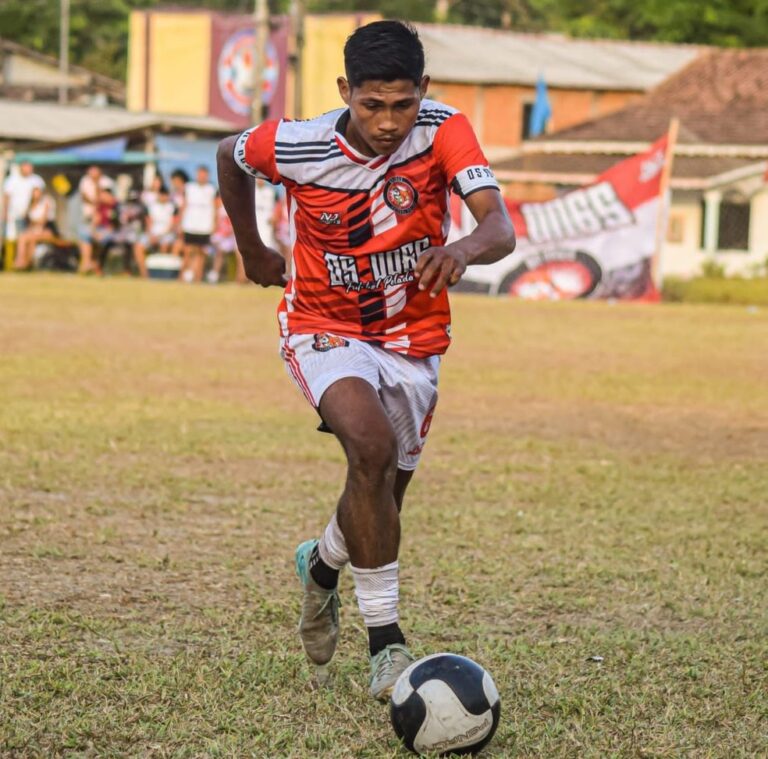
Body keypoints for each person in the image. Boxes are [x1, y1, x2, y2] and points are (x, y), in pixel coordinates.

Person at [216, 20, 515, 701]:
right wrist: (252, 248)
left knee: (382, 494)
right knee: (370, 449)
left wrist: (463, 250)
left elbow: (498, 224)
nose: (387, 122)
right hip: (321, 324)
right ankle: (387, 645)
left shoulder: (443, 130)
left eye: (402, 104)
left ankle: (320, 568)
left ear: (424, 92)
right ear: (345, 90)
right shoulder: (298, 143)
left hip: (413, 337)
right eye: (372, 104)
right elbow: (227, 154)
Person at [179, 165, 216, 282]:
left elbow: (215, 208)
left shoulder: (212, 189)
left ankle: (198, 278)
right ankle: (182, 276)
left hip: (205, 226)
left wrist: (214, 224)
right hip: (189, 224)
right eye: (200, 174)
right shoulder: (189, 187)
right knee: (188, 251)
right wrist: (180, 222)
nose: (202, 176)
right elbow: (183, 205)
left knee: (201, 253)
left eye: (204, 174)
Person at [133, 184, 177, 278]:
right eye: (162, 194)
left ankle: (162, 275)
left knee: (164, 245)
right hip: (152, 234)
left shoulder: (172, 207)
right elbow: (149, 223)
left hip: (166, 234)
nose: (163, 197)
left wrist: (160, 237)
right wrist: (151, 235)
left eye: (165, 195)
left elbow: (172, 225)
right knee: (138, 247)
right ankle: (145, 275)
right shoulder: (152, 206)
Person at [77, 165, 113, 274]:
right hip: (90, 219)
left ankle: (93, 265)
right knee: (84, 236)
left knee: (99, 240)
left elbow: (108, 200)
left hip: (105, 226)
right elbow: (84, 196)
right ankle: (86, 264)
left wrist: (97, 186)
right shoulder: (85, 181)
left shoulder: (107, 182)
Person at [3, 161, 45, 249]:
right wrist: (5, 213)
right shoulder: (12, 180)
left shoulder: (36, 180)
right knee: (12, 237)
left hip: (29, 215)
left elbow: (40, 195)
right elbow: (6, 197)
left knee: (26, 238)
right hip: (14, 214)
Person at [14, 186, 55, 270]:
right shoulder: (30, 206)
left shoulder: (45, 204)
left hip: (45, 231)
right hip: (34, 231)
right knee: (30, 241)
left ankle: (20, 261)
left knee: (23, 238)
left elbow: (43, 221)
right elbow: (30, 221)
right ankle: (26, 263)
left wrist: (35, 222)